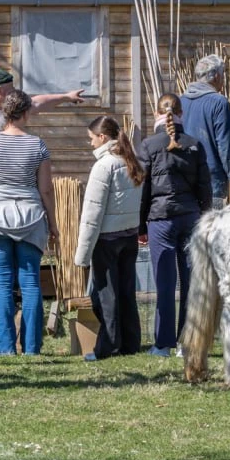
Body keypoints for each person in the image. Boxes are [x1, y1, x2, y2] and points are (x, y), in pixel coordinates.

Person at [0, 67, 83, 304]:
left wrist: (66, 97)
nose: (16, 90)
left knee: (10, 259)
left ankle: (15, 302)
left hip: (16, 202)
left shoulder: (10, 110)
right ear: (0, 90)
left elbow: (37, 102)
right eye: (12, 87)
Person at [0, 89, 58, 357]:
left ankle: (5, 347)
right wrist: (53, 224)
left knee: (1, 283)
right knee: (30, 282)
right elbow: (46, 190)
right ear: (25, 113)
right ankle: (32, 347)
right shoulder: (38, 145)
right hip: (31, 215)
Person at [138, 94, 212, 357]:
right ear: (181, 113)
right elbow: (205, 186)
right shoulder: (195, 145)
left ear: (156, 113)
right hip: (190, 217)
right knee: (191, 284)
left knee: (165, 284)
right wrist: (204, 217)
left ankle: (163, 344)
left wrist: (141, 226)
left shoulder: (148, 145)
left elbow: (143, 189)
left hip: (161, 219)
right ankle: (187, 342)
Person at [73, 116, 145, 360]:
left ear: (102, 137)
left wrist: (82, 255)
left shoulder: (104, 166)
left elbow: (92, 213)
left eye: (91, 138)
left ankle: (108, 347)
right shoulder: (131, 160)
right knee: (126, 292)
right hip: (129, 236)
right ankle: (130, 342)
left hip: (106, 239)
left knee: (105, 295)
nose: (90, 143)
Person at [179, 54, 230, 209]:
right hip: (211, 182)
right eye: (223, 74)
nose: (223, 79)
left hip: (183, 179)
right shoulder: (219, 103)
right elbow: (225, 144)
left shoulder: (180, 102)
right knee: (211, 222)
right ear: (216, 76)